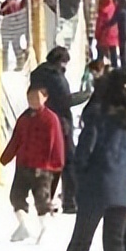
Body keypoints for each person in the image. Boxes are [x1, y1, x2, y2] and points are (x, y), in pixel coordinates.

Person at [63, 69, 126, 251]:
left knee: (81, 243)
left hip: (95, 187)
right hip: (123, 193)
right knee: (115, 247)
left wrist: (80, 177)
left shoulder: (99, 116)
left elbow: (83, 152)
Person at [0, 84, 64, 243]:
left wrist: (57, 164)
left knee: (42, 199)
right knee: (16, 196)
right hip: (23, 163)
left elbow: (57, 143)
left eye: (37, 97)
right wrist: (6, 157)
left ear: (45, 98)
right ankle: (23, 225)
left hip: (43, 167)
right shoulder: (24, 118)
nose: (33, 101)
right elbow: (16, 139)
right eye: (30, 97)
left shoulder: (51, 119)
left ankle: (46, 228)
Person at [29, 46, 81, 213]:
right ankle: (70, 201)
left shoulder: (36, 73)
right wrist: (87, 94)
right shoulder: (56, 77)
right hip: (60, 123)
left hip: (40, 121)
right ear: (61, 62)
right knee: (68, 162)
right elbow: (66, 100)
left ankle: (44, 200)